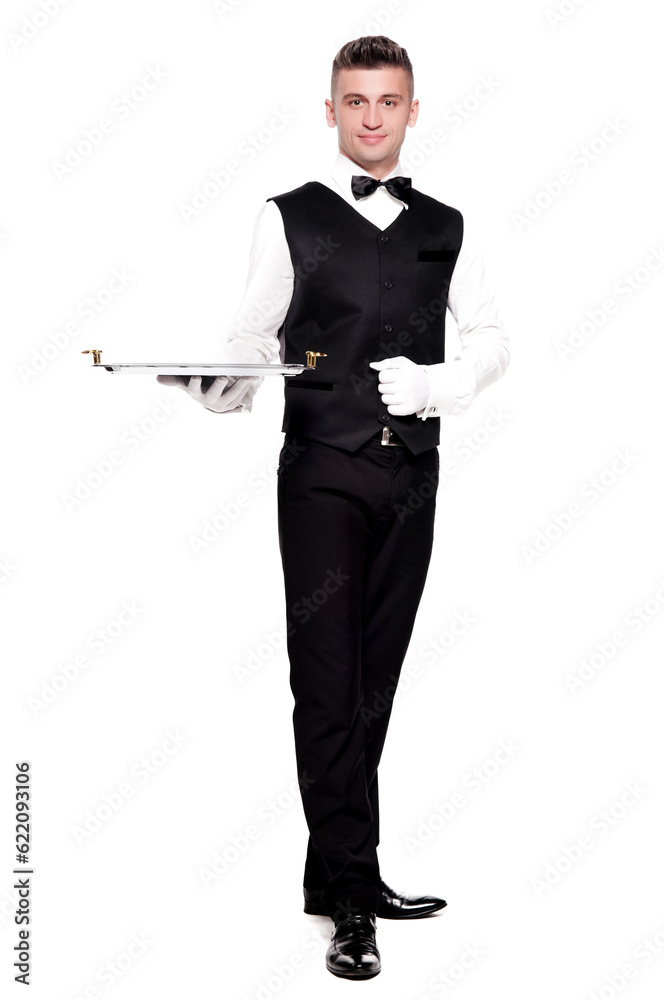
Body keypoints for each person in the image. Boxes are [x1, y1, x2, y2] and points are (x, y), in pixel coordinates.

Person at [158, 35, 510, 981]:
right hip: (319, 474)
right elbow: (253, 336)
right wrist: (222, 386)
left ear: (411, 111)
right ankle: (354, 900)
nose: (371, 117)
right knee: (325, 684)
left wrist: (437, 384)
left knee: (374, 684)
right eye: (355, 101)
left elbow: (491, 339)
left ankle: (336, 875)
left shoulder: (449, 226)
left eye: (387, 101)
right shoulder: (289, 217)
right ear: (330, 112)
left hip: (412, 477)